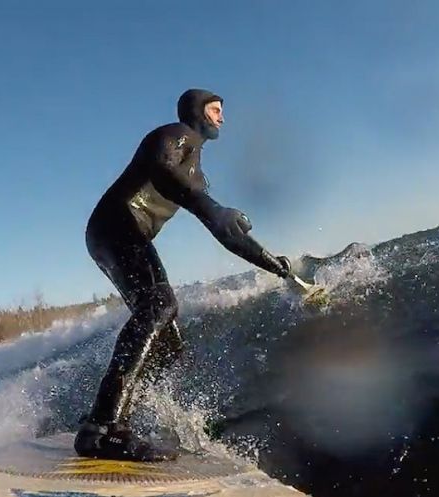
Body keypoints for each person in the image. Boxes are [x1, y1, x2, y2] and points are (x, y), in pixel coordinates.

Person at [75, 88, 292, 462]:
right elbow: (163, 174)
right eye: (215, 110)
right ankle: (105, 428)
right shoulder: (173, 136)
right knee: (159, 305)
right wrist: (214, 206)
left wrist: (274, 265)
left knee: (168, 341)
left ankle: (114, 419)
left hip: (128, 235)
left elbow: (223, 229)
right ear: (196, 112)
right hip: (115, 227)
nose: (222, 117)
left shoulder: (197, 173)